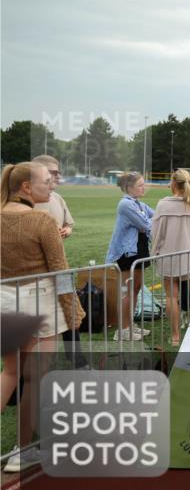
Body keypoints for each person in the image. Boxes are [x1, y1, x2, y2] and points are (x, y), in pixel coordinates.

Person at [1, 162, 74, 471]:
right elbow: (60, 269)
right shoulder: (42, 220)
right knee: (35, 378)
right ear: (27, 187)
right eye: (46, 180)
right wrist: (73, 309)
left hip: (5, 299)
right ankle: (24, 450)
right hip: (40, 302)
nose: (52, 185)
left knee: (10, 373)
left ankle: (24, 450)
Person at [31, 155, 85, 366]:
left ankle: (77, 358)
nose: (57, 176)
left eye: (57, 172)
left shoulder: (57, 198)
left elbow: (69, 224)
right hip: (34, 272)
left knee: (70, 310)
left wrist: (66, 230)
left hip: (60, 267)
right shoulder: (27, 201)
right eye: (52, 172)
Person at [152, 169, 190, 346]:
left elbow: (156, 233)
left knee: (171, 297)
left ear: (173, 183)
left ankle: (175, 337)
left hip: (168, 256)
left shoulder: (162, 205)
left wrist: (154, 253)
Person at [106, 172, 154, 341]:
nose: (144, 188)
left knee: (136, 289)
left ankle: (130, 325)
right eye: (140, 185)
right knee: (128, 291)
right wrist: (146, 224)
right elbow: (146, 224)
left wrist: (148, 223)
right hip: (127, 253)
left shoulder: (139, 204)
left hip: (140, 249)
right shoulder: (125, 204)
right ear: (129, 187)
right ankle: (123, 330)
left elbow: (156, 217)